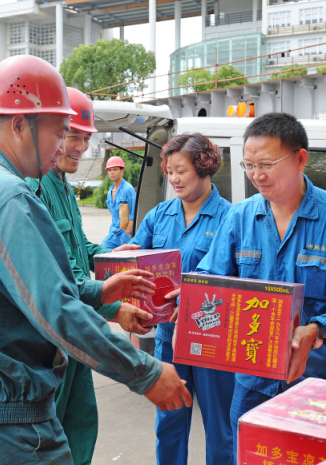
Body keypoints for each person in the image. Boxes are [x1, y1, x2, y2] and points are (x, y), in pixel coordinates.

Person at [0, 55, 192, 465]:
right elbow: (55, 309)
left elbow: (6, 293)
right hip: (11, 425)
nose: (66, 147)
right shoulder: (10, 197)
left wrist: (99, 290)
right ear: (20, 124)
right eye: (60, 132)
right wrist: (147, 373)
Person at [195, 112, 326, 460]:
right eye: (249, 164)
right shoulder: (239, 218)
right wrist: (192, 297)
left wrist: (318, 329)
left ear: (301, 159)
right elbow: (212, 282)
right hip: (254, 382)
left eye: (267, 163)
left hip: (322, 381)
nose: (257, 175)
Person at [25, 87, 154, 465]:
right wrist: (114, 310)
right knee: (52, 434)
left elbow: (79, 246)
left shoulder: (62, 185)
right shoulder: (36, 188)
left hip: (76, 333)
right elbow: (60, 272)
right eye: (73, 136)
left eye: (86, 138)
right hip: (55, 338)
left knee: (80, 424)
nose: (81, 147)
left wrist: (113, 255)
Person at [129, 133, 235, 465]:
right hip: (168, 340)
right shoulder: (159, 216)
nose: (174, 178)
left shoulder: (231, 218)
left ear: (204, 167)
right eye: (170, 170)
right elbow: (136, 262)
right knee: (169, 420)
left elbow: (238, 280)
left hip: (212, 337)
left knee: (220, 426)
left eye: (182, 170)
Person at [101, 156, 136, 248]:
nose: (112, 172)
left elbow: (134, 213)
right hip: (113, 233)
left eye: (115, 169)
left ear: (122, 171)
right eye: (110, 170)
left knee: (125, 260)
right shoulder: (110, 192)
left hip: (124, 234)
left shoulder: (128, 189)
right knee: (101, 253)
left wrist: (127, 232)